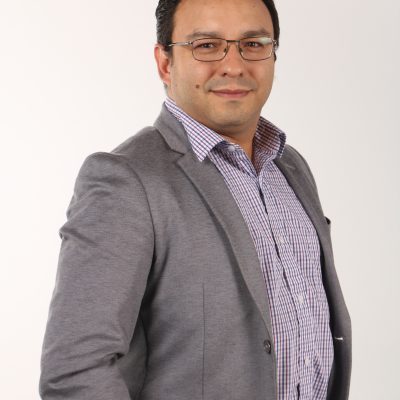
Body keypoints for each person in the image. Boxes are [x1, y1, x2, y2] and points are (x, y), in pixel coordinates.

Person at [39, 0, 351, 399]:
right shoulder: (125, 180)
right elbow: (75, 371)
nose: (234, 65)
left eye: (253, 44)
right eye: (206, 45)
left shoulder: (290, 167)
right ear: (165, 63)